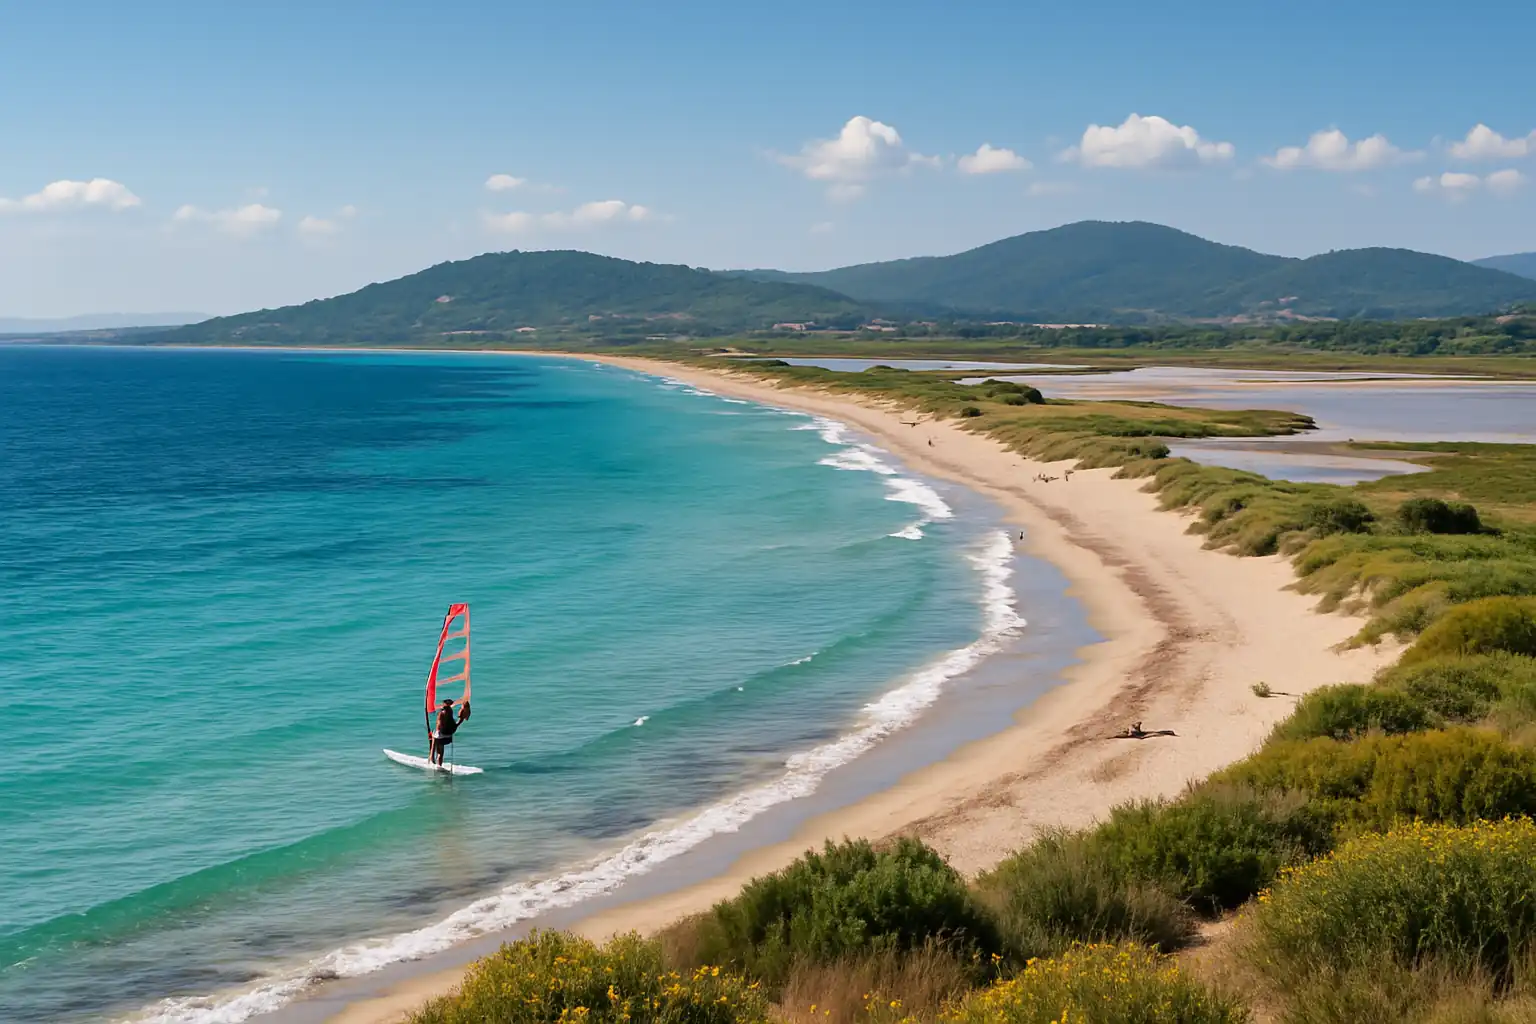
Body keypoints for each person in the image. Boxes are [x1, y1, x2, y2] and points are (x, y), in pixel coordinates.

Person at [429, 696, 470, 765]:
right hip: (448, 734)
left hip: (441, 734)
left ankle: (432, 757)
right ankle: (437, 763)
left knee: (434, 740)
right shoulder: (451, 712)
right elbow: (456, 722)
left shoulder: (441, 713)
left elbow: (439, 726)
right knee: (441, 753)